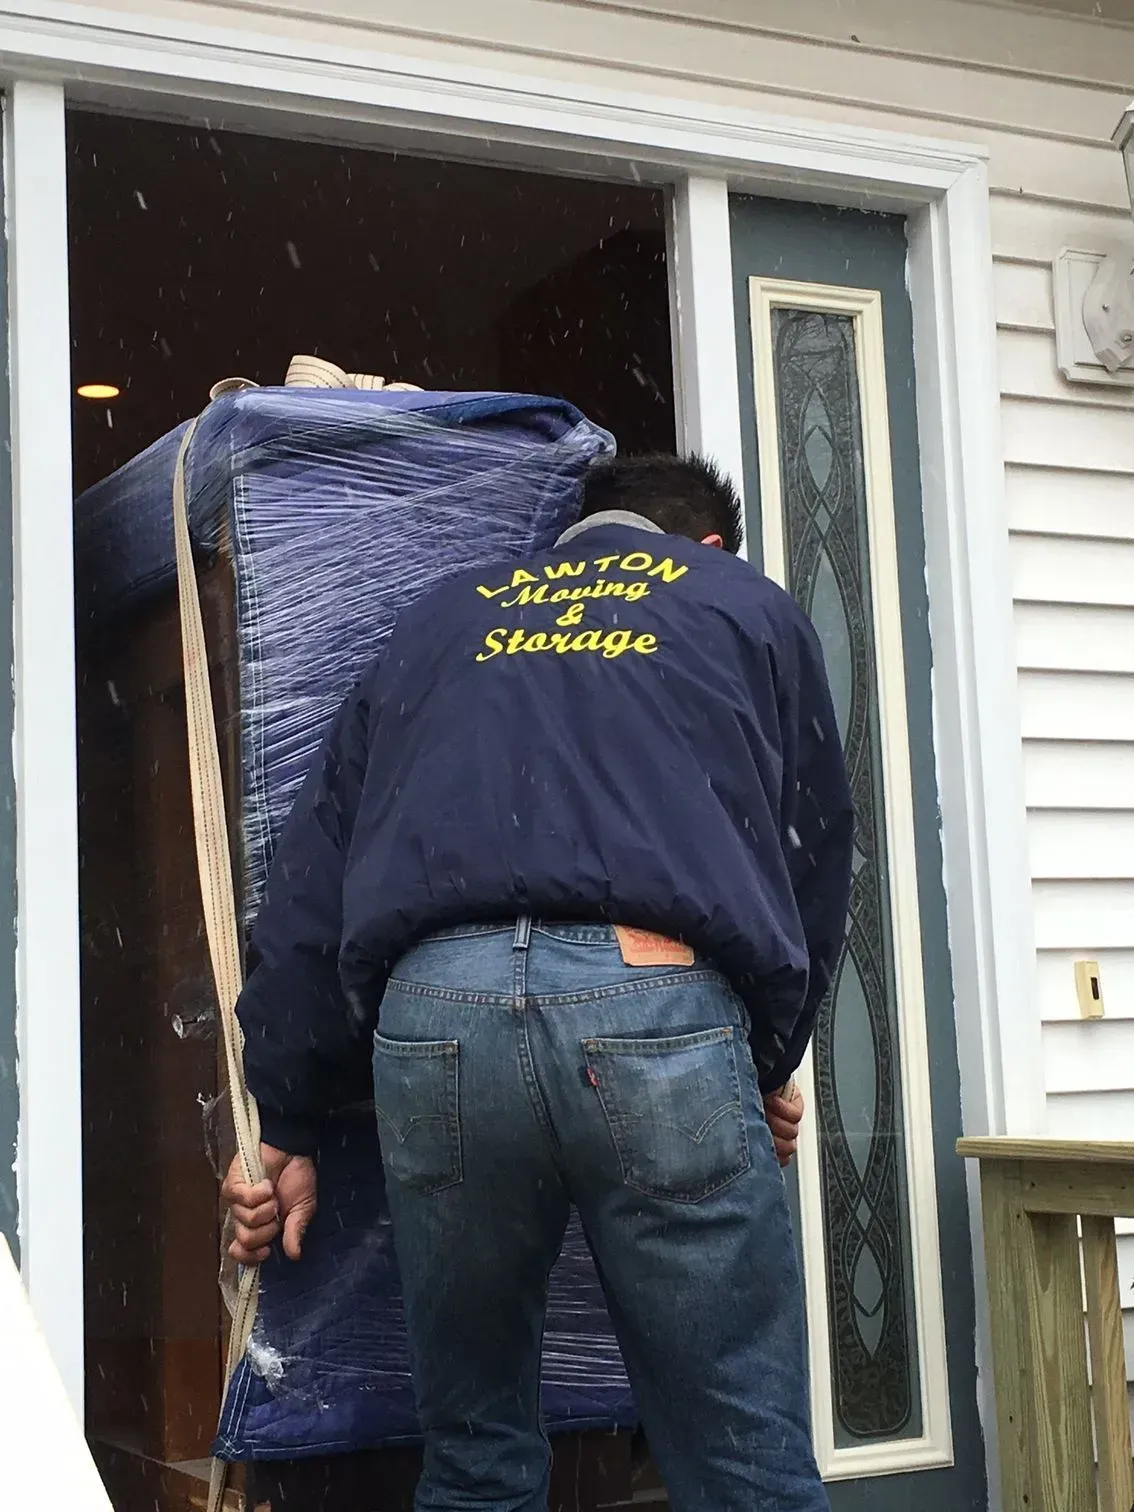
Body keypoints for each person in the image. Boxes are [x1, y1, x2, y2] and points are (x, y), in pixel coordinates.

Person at [222, 452, 854, 1512]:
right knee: (741, 1458)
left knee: (475, 1459)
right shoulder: (744, 606)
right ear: (703, 548)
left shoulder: (440, 619)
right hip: (651, 1002)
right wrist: (764, 1056)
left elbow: (312, 879)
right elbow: (812, 852)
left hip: (435, 1019)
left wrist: (283, 1117)